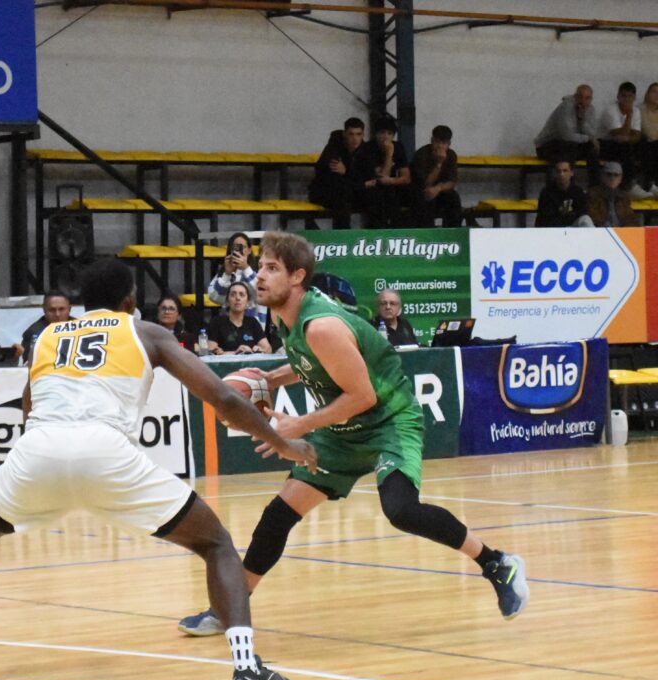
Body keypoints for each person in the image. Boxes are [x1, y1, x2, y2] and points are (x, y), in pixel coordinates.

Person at [0, 259, 316, 680]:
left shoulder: (46, 337)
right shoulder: (147, 333)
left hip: (39, 449)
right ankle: (247, 672)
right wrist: (279, 440)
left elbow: (30, 407)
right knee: (215, 544)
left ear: (81, 303)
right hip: (108, 454)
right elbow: (225, 398)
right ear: (130, 302)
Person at [177, 231, 529, 637]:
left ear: (297, 277)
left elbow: (361, 394)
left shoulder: (321, 326)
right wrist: (273, 379)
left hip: (388, 420)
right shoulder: (282, 315)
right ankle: (228, 610)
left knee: (401, 510)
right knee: (277, 517)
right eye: (260, 267)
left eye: (272, 269)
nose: (259, 277)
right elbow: (312, 362)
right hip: (344, 431)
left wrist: (299, 426)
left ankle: (497, 563)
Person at [308, 117, 373, 229]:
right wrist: (360, 183)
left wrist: (347, 172)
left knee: (377, 195)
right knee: (342, 193)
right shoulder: (334, 147)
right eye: (351, 134)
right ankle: (342, 237)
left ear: (363, 135)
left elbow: (369, 177)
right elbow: (333, 177)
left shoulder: (366, 151)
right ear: (344, 134)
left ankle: (377, 236)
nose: (355, 139)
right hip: (325, 191)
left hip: (352, 192)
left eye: (358, 134)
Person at [534, 84, 601, 186]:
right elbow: (567, 136)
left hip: (568, 147)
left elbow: (593, 133)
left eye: (587, 98)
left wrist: (582, 120)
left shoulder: (591, 110)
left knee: (592, 148)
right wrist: (588, 138)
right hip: (546, 146)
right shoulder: (566, 107)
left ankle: (595, 189)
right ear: (575, 96)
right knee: (569, 146)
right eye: (580, 97)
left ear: (591, 99)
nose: (583, 101)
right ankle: (567, 188)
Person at [207, 232, 267, 328]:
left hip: (254, 329)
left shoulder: (259, 270)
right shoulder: (224, 272)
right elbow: (214, 298)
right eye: (234, 247)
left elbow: (263, 293)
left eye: (242, 247)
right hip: (228, 327)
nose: (239, 250)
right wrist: (227, 274)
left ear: (249, 250)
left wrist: (246, 269)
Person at [361, 115, 410, 229]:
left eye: (389, 133)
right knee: (380, 196)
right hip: (372, 187)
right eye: (382, 132)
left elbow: (406, 177)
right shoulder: (368, 148)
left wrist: (392, 180)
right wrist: (389, 153)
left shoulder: (398, 146)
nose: (386, 137)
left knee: (412, 194)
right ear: (376, 134)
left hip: (392, 185)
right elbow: (383, 176)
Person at [409, 125, 463, 228]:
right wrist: (439, 163)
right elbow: (425, 183)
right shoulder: (422, 154)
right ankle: (428, 235)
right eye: (437, 142)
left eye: (444, 143)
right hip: (420, 192)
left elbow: (452, 181)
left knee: (454, 197)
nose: (440, 146)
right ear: (432, 140)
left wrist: (438, 188)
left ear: (449, 144)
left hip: (439, 192)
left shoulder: (451, 155)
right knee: (426, 198)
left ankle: (453, 233)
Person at [598, 82, 643, 193]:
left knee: (646, 146)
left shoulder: (636, 111)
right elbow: (619, 134)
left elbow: (637, 135)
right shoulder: (611, 111)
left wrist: (627, 138)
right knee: (626, 148)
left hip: (621, 145)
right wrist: (629, 116)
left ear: (634, 98)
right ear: (618, 96)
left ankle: (648, 183)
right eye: (624, 96)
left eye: (630, 96)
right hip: (603, 145)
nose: (627, 99)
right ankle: (629, 185)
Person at [206, 281, 271, 355]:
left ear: (247, 302)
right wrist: (236, 353)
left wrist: (258, 350)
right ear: (227, 301)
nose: (237, 298)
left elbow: (268, 349)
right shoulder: (217, 322)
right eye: (233, 295)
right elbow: (211, 351)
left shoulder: (252, 322)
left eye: (242, 295)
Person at [20, 290, 73, 364]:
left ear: (69, 309)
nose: (57, 314)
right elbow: (28, 363)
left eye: (61, 309)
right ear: (44, 310)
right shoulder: (33, 332)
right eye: (52, 310)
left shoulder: (82, 327)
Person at [536, 160, 593, 228]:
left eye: (565, 171)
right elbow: (545, 219)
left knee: (586, 219)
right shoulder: (546, 193)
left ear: (571, 173)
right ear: (555, 174)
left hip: (573, 229)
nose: (561, 174)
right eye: (558, 171)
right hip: (553, 230)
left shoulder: (578, 192)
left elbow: (582, 213)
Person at [586, 161, 638, 227]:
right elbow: (594, 219)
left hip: (621, 234)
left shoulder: (623, 196)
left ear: (620, 179)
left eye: (616, 175)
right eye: (609, 174)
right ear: (602, 176)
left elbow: (629, 219)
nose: (612, 178)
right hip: (601, 233)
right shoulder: (593, 194)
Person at [638, 82, 658, 194]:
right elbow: (648, 132)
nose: (657, 95)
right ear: (648, 93)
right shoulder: (640, 110)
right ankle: (649, 183)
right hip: (643, 144)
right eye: (654, 91)